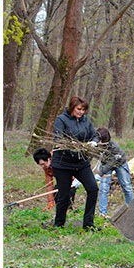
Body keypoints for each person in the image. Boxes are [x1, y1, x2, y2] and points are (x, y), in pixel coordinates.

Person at [51, 95, 100, 230]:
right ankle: (59, 223)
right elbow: (58, 138)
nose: (81, 112)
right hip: (63, 164)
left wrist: (94, 142)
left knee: (93, 188)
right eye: (78, 109)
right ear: (72, 107)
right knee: (64, 194)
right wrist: (70, 145)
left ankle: (88, 224)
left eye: (83, 110)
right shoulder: (61, 120)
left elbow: (94, 134)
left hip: (81, 163)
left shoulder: (86, 121)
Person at [96, 127, 134, 218]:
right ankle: (102, 213)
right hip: (105, 163)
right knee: (104, 188)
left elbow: (112, 163)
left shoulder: (114, 147)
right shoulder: (95, 145)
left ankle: (132, 209)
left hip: (120, 163)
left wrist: (100, 173)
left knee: (126, 186)